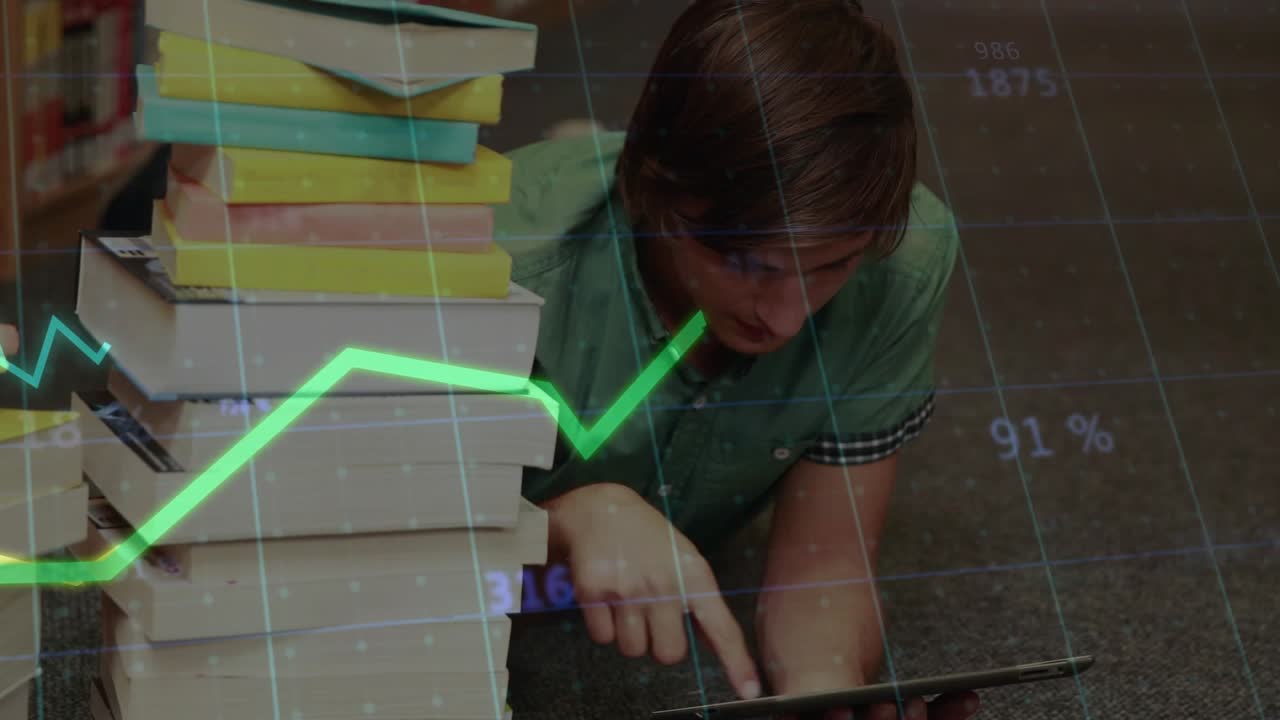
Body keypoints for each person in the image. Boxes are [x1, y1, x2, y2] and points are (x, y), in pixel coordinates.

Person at [493, 1, 976, 719]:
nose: (784, 316)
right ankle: (582, 150)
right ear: (648, 195)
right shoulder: (491, 265)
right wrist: (556, 523)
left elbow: (825, 562)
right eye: (743, 261)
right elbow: (342, 552)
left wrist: (824, 696)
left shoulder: (902, 258)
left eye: (829, 266)